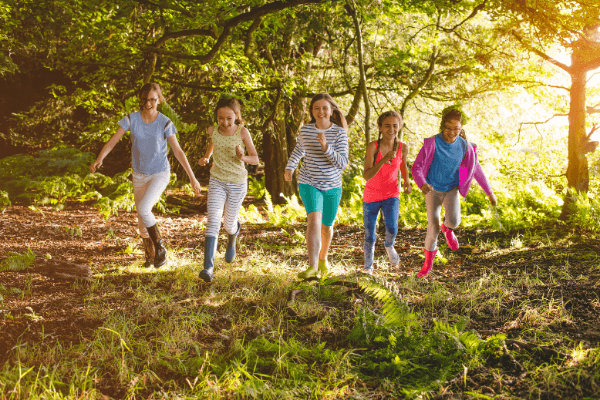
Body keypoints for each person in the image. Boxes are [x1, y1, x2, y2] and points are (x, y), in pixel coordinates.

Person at [90, 82, 201, 268]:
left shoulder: (165, 122)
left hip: (159, 173)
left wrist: (192, 177)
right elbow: (112, 141)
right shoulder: (131, 119)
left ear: (159, 100)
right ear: (141, 99)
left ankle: (160, 247)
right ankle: (150, 258)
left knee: (144, 209)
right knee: (142, 219)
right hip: (139, 174)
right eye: (145, 99)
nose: (148, 103)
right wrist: (100, 158)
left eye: (153, 100)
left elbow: (178, 151)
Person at [411, 108, 496, 278]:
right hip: (432, 189)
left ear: (461, 127)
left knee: (454, 221)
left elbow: (476, 170)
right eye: (448, 128)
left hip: (452, 188)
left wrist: (489, 193)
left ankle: (448, 229)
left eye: (456, 129)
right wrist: (422, 184)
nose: (451, 133)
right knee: (432, 227)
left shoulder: (466, 147)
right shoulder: (432, 143)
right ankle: (427, 265)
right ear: (443, 126)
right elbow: (417, 167)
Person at [284, 93, 349, 279]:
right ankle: (312, 267)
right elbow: (298, 150)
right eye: (316, 108)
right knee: (313, 219)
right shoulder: (306, 131)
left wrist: (326, 148)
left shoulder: (339, 133)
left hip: (333, 186)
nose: (320, 111)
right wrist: (290, 167)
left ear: (331, 110)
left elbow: (343, 163)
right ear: (312, 111)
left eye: (324, 108)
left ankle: (322, 259)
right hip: (309, 182)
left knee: (327, 227)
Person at [198, 97, 259, 283]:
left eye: (229, 119)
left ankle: (233, 235)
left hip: (237, 183)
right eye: (221, 118)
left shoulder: (242, 132)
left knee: (228, 223)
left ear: (236, 116)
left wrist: (243, 158)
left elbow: (255, 159)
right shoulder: (212, 130)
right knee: (213, 220)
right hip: (217, 180)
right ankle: (208, 268)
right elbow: (213, 142)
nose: (224, 123)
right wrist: (207, 157)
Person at [362, 111, 412, 275]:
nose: (391, 129)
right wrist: (383, 160)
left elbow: (403, 166)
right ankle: (368, 267)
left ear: (399, 127)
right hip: (371, 195)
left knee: (392, 227)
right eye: (387, 126)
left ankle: (389, 245)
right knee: (370, 233)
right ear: (380, 128)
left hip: (392, 193)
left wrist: (406, 181)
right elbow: (366, 176)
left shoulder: (403, 147)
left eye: (395, 126)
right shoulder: (373, 147)